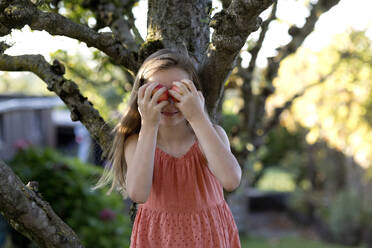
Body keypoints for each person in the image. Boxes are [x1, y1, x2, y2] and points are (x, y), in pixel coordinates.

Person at [92, 48, 242, 247]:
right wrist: (149, 124)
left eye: (179, 92)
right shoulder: (136, 143)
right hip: (159, 237)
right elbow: (138, 194)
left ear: (195, 95)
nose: (169, 103)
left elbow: (231, 180)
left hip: (209, 235)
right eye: (157, 93)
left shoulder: (211, 136)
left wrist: (197, 117)